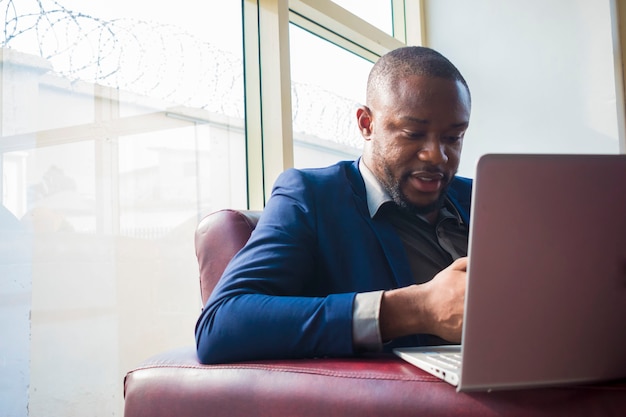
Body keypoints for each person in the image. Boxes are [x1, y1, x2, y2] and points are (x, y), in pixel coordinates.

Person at [195, 46, 472, 364]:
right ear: (366, 124)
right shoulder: (310, 197)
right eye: (413, 134)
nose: (437, 156)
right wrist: (416, 310)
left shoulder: (484, 197)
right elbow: (219, 325)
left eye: (453, 138)